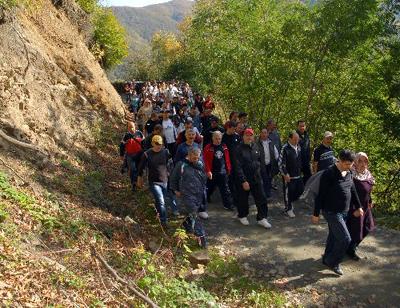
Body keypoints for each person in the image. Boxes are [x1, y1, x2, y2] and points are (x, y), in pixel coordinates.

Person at [312, 149, 363, 276]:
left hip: (344, 211)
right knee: (345, 239)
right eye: (346, 164)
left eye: (350, 164)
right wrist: (316, 213)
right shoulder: (329, 173)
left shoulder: (349, 172)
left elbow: (353, 190)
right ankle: (334, 262)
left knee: (334, 236)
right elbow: (320, 195)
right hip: (331, 211)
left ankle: (326, 258)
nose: (349, 166)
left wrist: (359, 206)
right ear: (339, 160)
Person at [233, 128, 271, 228]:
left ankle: (262, 218)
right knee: (243, 199)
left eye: (251, 135)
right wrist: (243, 180)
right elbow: (237, 167)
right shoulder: (238, 149)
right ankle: (242, 215)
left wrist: (264, 176)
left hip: (257, 178)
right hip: (244, 179)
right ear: (243, 136)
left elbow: (261, 163)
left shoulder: (257, 147)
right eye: (247, 135)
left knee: (262, 198)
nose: (249, 137)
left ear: (253, 137)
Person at [170, 147, 208, 248]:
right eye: (194, 157)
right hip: (186, 194)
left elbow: (203, 177)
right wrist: (175, 190)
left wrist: (203, 189)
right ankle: (202, 238)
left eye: (197, 157)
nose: (196, 159)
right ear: (189, 155)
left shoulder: (200, 164)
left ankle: (187, 231)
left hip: (198, 194)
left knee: (187, 214)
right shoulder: (181, 165)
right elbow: (173, 178)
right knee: (194, 214)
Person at [137, 135, 176, 227]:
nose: (159, 146)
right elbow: (141, 167)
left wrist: (170, 172)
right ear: (152, 143)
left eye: (160, 144)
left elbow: (170, 163)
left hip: (164, 180)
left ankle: (157, 213)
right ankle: (164, 221)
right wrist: (139, 178)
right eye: (157, 144)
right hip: (154, 182)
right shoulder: (147, 154)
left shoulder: (166, 152)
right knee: (161, 200)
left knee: (160, 201)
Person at [346, 152, 376, 261]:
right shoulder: (351, 175)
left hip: (365, 206)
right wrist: (353, 209)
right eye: (360, 161)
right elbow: (347, 194)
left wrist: (370, 200)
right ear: (355, 162)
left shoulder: (367, 174)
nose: (363, 163)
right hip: (354, 207)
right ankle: (350, 250)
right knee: (355, 230)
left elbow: (368, 190)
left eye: (365, 161)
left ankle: (352, 247)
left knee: (367, 227)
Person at [203, 131, 234, 210]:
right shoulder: (208, 147)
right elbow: (205, 160)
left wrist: (228, 169)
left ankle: (228, 205)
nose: (218, 140)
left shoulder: (224, 146)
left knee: (225, 189)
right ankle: (206, 199)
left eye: (219, 139)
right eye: (216, 139)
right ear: (213, 138)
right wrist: (208, 171)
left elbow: (227, 159)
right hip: (212, 172)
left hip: (222, 172)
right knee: (210, 187)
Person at [278, 131, 304, 218]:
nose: (297, 141)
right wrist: (285, 174)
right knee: (288, 192)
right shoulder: (285, 148)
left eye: (298, 139)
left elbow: (300, 160)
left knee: (300, 190)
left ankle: (291, 203)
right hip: (289, 176)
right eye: (295, 139)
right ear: (290, 139)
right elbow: (281, 163)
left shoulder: (299, 147)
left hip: (298, 174)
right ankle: (288, 209)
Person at [222, 121, 242, 205]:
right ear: (228, 128)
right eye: (233, 129)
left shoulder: (237, 136)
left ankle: (238, 198)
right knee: (230, 182)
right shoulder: (223, 137)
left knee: (238, 181)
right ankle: (233, 199)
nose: (234, 131)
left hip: (237, 162)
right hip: (228, 163)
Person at [119, 122, 143, 191]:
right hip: (130, 155)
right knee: (132, 169)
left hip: (139, 154)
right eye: (129, 127)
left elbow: (144, 143)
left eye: (132, 126)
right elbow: (122, 145)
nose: (131, 128)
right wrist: (121, 155)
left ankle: (138, 182)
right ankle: (134, 183)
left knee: (139, 169)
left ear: (135, 126)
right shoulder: (126, 135)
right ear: (127, 128)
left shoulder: (139, 133)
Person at [258, 128, 279, 199]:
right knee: (265, 179)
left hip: (270, 165)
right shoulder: (257, 144)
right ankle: (267, 195)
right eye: (262, 133)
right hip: (262, 165)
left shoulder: (271, 143)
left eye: (265, 133)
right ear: (260, 134)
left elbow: (276, 154)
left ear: (267, 134)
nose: (264, 134)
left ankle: (267, 193)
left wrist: (277, 162)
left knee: (269, 179)